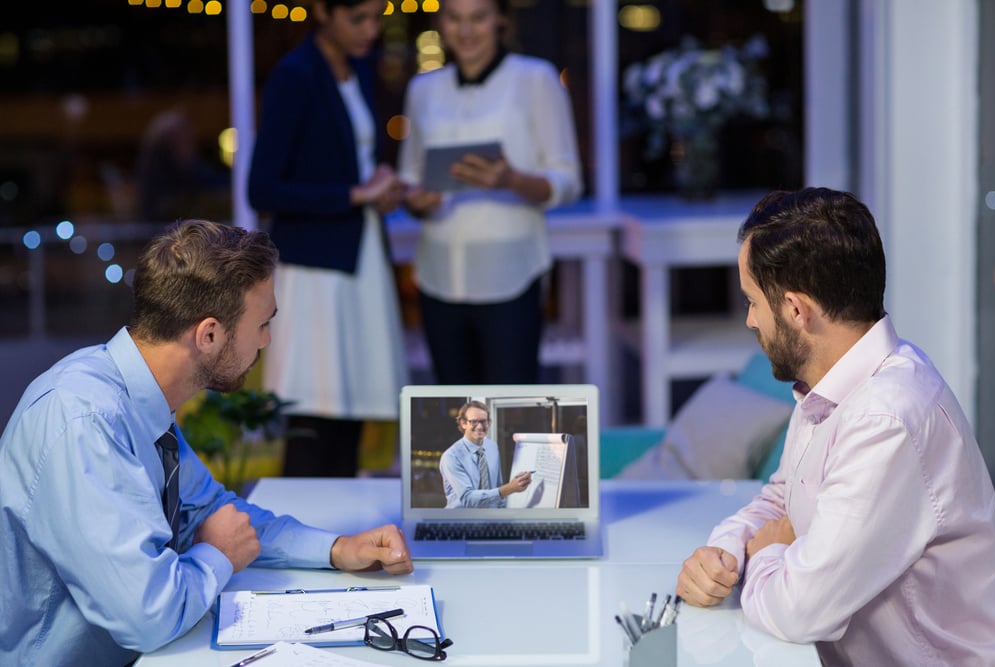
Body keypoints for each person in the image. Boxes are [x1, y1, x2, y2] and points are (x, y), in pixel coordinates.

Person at [0, 220, 414, 666]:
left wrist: (336, 549)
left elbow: (215, 511)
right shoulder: (84, 420)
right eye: (263, 324)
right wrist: (217, 555)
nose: (267, 341)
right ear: (210, 335)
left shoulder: (135, 398)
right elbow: (148, 615)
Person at [675, 188, 995, 666]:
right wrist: (724, 555)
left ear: (795, 310)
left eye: (752, 302)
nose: (749, 321)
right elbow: (781, 500)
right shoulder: (832, 384)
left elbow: (800, 610)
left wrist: (766, 557)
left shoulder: (885, 419)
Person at [247, 0, 408, 477]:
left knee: (351, 412)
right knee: (315, 415)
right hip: (314, 267)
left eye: (378, 17)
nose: (371, 30)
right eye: (357, 18)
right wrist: (356, 193)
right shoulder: (295, 76)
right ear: (322, 11)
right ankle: (306, 545)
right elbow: (262, 187)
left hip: (358, 256)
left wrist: (377, 187)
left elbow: (349, 164)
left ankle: (343, 544)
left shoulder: (359, 70)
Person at [398, 0, 582, 384]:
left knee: (511, 412)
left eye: (478, 18)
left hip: (512, 275)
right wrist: (416, 200)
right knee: (454, 418)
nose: (466, 31)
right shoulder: (423, 89)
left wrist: (511, 180)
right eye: (455, 18)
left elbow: (568, 180)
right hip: (438, 278)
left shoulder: (536, 78)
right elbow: (411, 176)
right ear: (440, 22)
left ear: (501, 19)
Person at [439, 400, 531, 508]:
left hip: (490, 519)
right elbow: (468, 499)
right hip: (462, 521)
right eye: (473, 422)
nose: (479, 426)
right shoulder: (451, 456)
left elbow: (498, 487)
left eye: (483, 421)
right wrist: (510, 488)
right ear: (463, 423)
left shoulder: (492, 447)